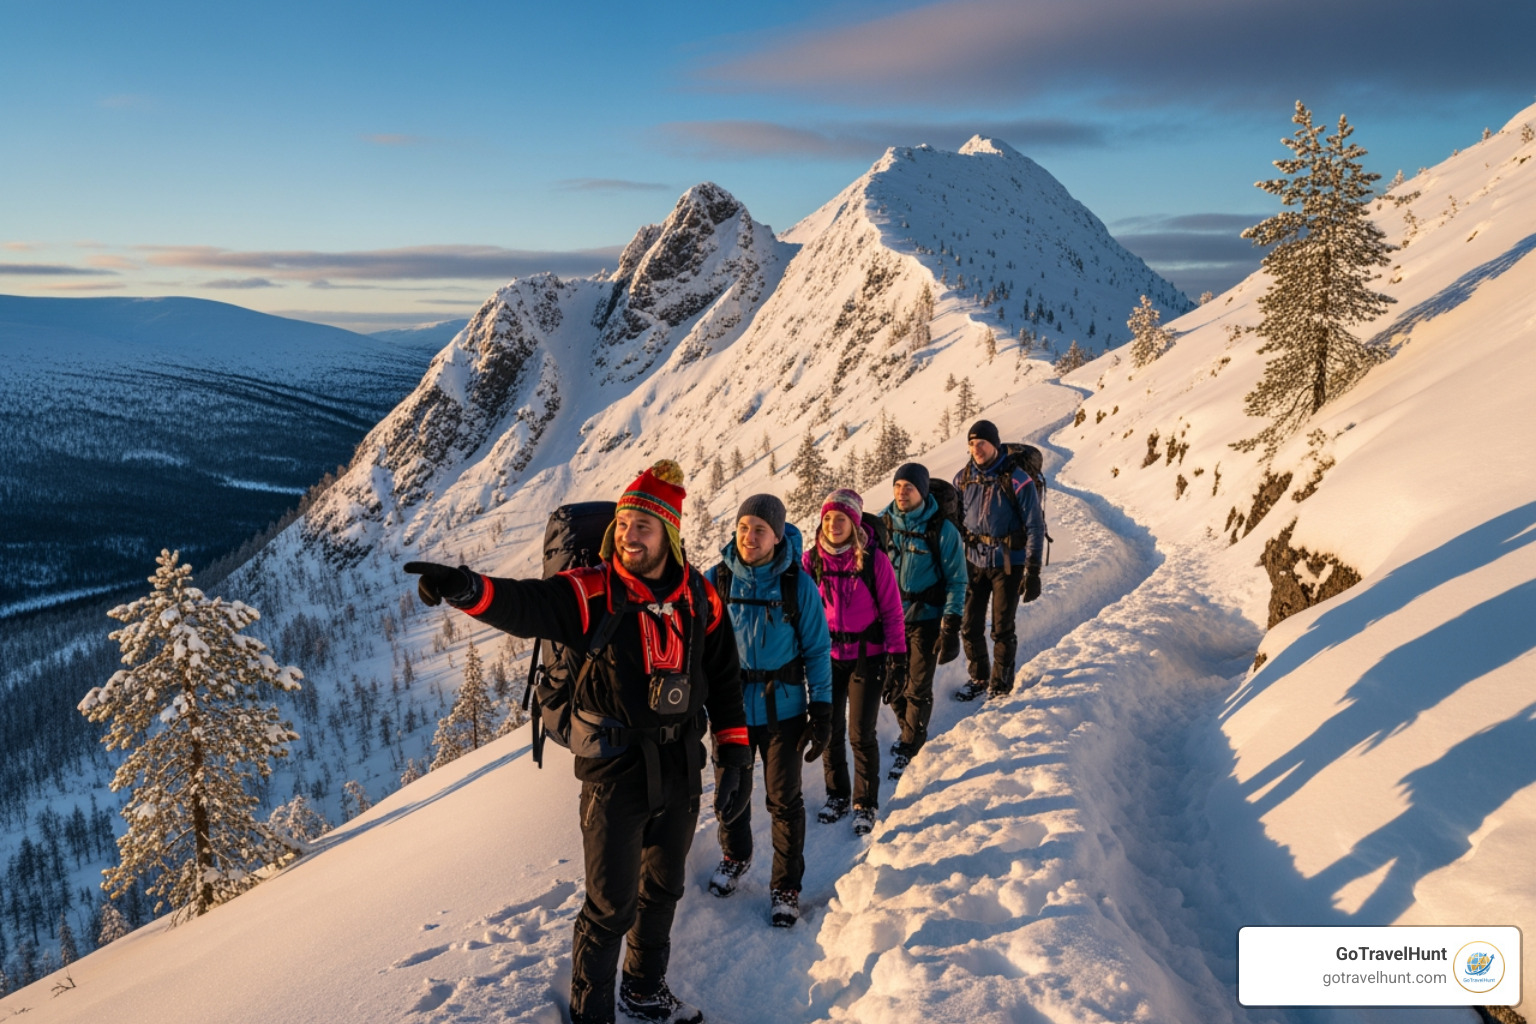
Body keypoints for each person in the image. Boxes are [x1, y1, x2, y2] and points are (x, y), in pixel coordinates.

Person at [404, 460, 749, 1024]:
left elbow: (726, 680)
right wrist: (469, 590)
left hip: (682, 763)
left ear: (670, 534)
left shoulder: (700, 599)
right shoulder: (593, 591)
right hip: (614, 770)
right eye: (625, 523)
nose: (631, 536)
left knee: (663, 889)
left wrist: (735, 757)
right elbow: (528, 604)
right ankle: (592, 1015)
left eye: (644, 525)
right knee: (611, 906)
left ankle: (643, 990)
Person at [704, 495, 833, 928]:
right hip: (731, 710)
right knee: (731, 795)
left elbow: (817, 651)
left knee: (783, 800)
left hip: (786, 711)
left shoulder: (798, 584)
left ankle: (786, 887)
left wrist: (824, 709)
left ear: (778, 536)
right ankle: (735, 856)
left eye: (759, 529)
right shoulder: (717, 581)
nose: (749, 537)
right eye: (743, 527)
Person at [804, 488, 906, 836]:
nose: (833, 524)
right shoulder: (811, 561)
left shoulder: (873, 560)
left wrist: (898, 659)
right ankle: (837, 796)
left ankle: (865, 802)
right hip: (826, 657)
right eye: (828, 518)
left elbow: (892, 611)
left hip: (868, 656)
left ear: (854, 522)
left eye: (841, 518)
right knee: (828, 729)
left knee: (860, 732)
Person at [878, 463, 965, 777]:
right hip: (890, 621)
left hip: (927, 619)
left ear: (922, 491)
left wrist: (951, 625)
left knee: (917, 686)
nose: (902, 492)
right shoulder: (883, 523)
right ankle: (907, 728)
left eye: (909, 487)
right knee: (892, 681)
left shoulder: (942, 530)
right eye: (898, 486)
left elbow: (957, 580)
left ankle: (911, 744)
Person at [953, 420, 1046, 702]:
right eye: (971, 444)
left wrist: (1032, 571)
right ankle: (980, 677)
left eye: (981, 443)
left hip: (1009, 562)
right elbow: (956, 521)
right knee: (969, 625)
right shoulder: (963, 478)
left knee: (1002, 626)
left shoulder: (1017, 478)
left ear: (994, 443)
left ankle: (1001, 683)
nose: (976, 449)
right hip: (974, 560)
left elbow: (1035, 525)